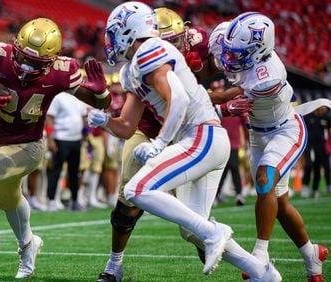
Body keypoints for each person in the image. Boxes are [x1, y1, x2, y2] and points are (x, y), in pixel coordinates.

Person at [90, 2, 280, 281]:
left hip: (199, 135)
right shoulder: (131, 70)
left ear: (131, 30)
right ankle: (262, 273)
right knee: (191, 229)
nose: (110, 40)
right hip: (203, 141)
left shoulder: (149, 51)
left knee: (137, 190)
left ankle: (214, 232)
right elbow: (127, 127)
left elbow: (178, 98)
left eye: (115, 32)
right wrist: (104, 120)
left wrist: (158, 143)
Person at [0, 17, 110, 279]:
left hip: (27, 146)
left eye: (35, 62)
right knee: (9, 198)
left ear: (51, 59)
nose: (25, 65)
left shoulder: (62, 70)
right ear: (16, 46)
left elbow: (102, 102)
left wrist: (101, 93)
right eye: (23, 57)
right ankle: (28, 244)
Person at [211, 12, 328, 281]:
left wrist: (193, 95)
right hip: (259, 134)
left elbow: (229, 95)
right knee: (281, 204)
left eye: (239, 53)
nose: (230, 56)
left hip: (286, 129)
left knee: (265, 180)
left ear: (259, 51)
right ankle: (311, 255)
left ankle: (260, 253)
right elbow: (214, 59)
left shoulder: (268, 76)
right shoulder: (228, 39)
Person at [45, 91, 88, 211]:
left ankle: (75, 200)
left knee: (74, 172)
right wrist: (50, 138)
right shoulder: (58, 97)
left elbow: (83, 118)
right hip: (61, 137)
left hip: (76, 139)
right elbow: (49, 118)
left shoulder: (79, 97)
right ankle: (51, 200)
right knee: (56, 171)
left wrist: (85, 135)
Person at [301, 106, 331, 198]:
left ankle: (315, 189)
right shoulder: (307, 117)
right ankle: (305, 187)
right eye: (323, 108)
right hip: (309, 145)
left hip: (321, 146)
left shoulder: (326, 118)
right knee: (309, 165)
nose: (325, 110)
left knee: (318, 167)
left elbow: (329, 130)